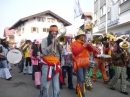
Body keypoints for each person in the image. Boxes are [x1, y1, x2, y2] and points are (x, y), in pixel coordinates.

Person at [71, 30, 99, 97]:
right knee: (81, 79)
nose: (83, 37)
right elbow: (75, 52)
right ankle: (82, 95)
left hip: (85, 63)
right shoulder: (74, 43)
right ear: (78, 36)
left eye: (84, 35)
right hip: (79, 64)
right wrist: (84, 45)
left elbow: (91, 50)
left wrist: (89, 45)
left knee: (81, 79)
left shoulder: (85, 43)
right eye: (81, 35)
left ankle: (78, 91)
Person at [39, 25, 63, 97]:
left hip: (56, 64)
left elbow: (61, 53)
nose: (54, 33)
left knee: (56, 87)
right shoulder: (44, 40)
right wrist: (52, 44)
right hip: (47, 64)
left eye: (55, 31)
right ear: (50, 32)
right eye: (52, 31)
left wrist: (60, 47)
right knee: (45, 86)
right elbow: (44, 52)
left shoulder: (59, 40)